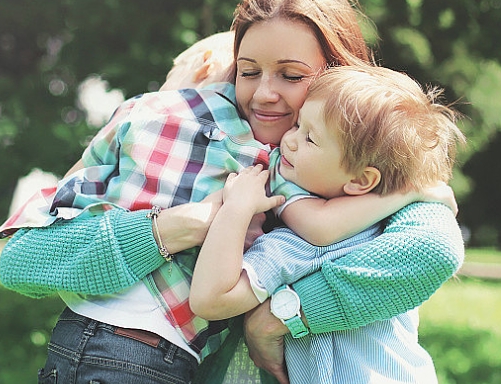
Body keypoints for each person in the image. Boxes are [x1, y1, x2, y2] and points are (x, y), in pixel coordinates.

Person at [0, 0, 464, 384]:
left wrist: (280, 317)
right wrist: (170, 227)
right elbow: (20, 259)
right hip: (129, 351)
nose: (264, 94)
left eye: (292, 76)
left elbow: (433, 250)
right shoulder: (215, 143)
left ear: (337, 80)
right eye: (246, 72)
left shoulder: (378, 161)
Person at [190, 65, 464, 383]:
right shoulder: (392, 231)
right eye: (297, 124)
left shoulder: (302, 247)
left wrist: (236, 209)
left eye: (310, 138)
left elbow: (210, 299)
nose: (289, 141)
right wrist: (411, 191)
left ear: (362, 180)